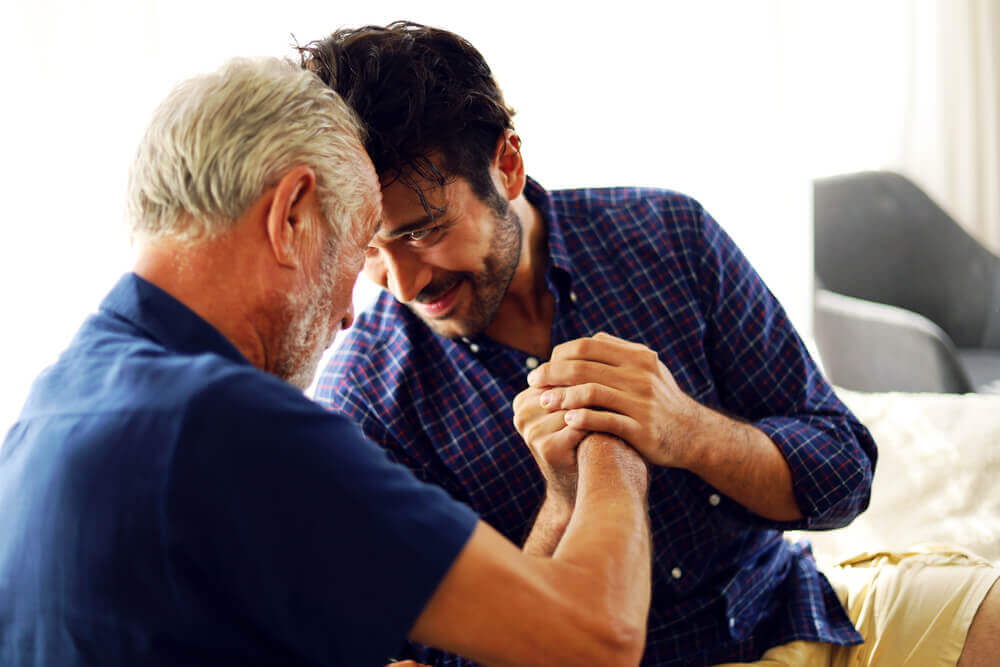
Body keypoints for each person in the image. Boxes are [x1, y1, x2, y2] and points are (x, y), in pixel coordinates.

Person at [303, 22, 1000, 667]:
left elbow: (843, 471)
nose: (400, 282)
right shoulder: (365, 398)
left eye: (423, 230)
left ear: (506, 165)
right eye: (369, 246)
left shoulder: (667, 234)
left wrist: (685, 430)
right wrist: (562, 503)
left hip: (795, 613)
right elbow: (437, 655)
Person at [0, 57, 655, 667]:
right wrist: (613, 436)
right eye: (359, 245)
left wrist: (565, 498)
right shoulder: (231, 427)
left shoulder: (48, 408)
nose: (352, 310)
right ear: (291, 216)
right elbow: (599, 639)